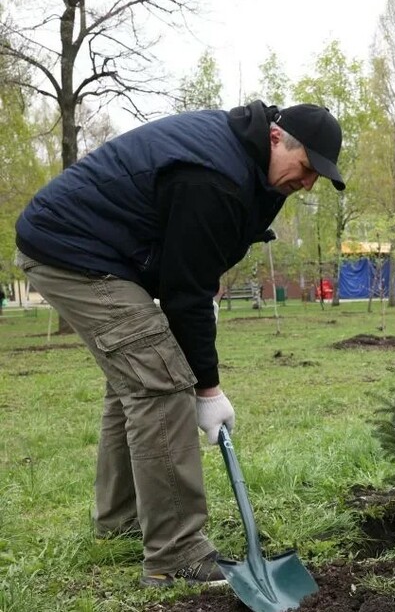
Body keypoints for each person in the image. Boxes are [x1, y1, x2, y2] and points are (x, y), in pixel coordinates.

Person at [14, 101, 344, 587]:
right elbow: (183, 293)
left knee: (137, 374)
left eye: (318, 176)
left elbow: (195, 260)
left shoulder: (252, 165)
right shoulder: (216, 174)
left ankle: (120, 521)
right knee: (162, 381)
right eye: (307, 168)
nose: (308, 183)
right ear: (277, 138)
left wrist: (199, 286)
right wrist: (207, 390)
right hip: (71, 250)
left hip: (103, 252)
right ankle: (176, 552)